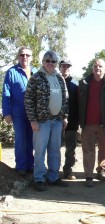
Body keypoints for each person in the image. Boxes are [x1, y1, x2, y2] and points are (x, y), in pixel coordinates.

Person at [25, 51, 69, 191]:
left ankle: (53, 177)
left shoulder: (60, 78)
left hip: (57, 121)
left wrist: (65, 116)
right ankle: (39, 179)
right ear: (43, 62)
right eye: (48, 60)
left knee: (55, 150)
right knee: (40, 151)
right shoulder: (36, 78)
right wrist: (32, 120)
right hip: (41, 122)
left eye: (53, 61)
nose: (50, 63)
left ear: (57, 63)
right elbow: (28, 100)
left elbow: (66, 99)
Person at [2, 46, 37, 176]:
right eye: (22, 55)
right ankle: (21, 166)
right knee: (21, 139)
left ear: (31, 58)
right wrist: (6, 113)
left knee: (31, 139)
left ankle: (30, 165)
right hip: (18, 112)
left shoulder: (35, 72)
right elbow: (6, 93)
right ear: (18, 56)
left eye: (28, 55)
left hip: (33, 113)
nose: (25, 57)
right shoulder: (12, 72)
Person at [78, 58, 105, 187]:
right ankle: (89, 175)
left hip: (104, 123)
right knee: (88, 150)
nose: (98, 68)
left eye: (100, 66)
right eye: (96, 66)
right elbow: (78, 103)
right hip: (87, 123)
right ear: (92, 69)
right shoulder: (83, 83)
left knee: (104, 149)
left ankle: (102, 171)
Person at [59, 59, 79, 180]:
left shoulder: (75, 85)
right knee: (55, 148)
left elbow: (79, 104)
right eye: (63, 66)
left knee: (70, 149)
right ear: (60, 67)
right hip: (56, 121)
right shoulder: (54, 82)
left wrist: (78, 122)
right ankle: (54, 171)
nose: (65, 68)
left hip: (72, 122)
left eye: (67, 66)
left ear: (70, 68)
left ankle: (68, 170)